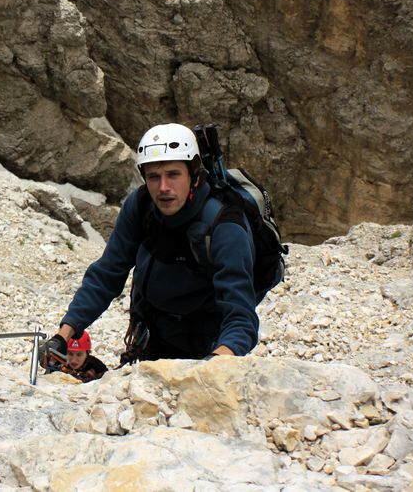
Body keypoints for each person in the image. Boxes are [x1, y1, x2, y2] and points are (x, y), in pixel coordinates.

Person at [42, 123, 258, 365]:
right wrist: (64, 335)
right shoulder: (141, 206)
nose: (163, 187)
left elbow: (240, 315)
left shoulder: (224, 224)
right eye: (154, 177)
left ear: (194, 175)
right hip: (152, 334)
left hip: (208, 341)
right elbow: (107, 273)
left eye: (173, 175)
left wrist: (215, 363)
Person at [42, 331, 108, 382]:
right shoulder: (57, 360)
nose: (74, 360)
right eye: (70, 354)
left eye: (79, 355)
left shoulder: (97, 367)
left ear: (87, 354)